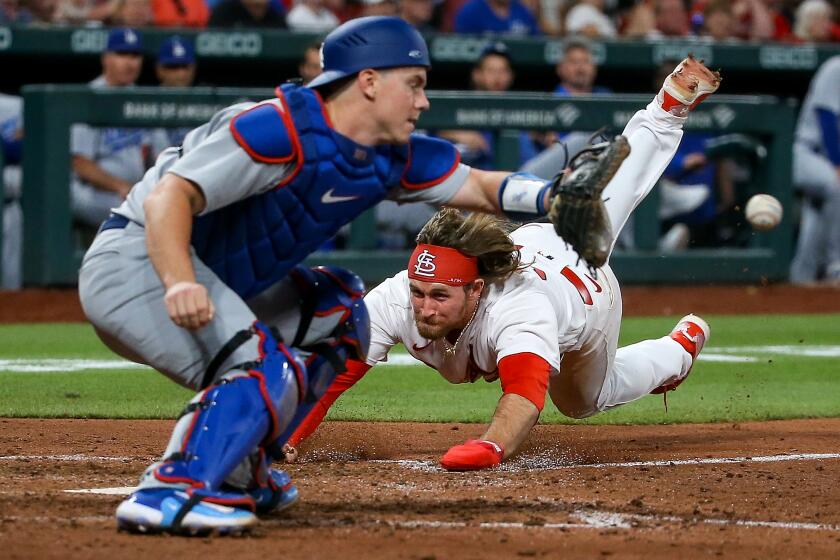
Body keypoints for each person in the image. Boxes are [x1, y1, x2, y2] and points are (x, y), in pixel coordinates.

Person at [78, 16, 604, 535]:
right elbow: (171, 196)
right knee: (260, 361)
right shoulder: (274, 127)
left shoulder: (386, 155)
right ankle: (174, 489)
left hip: (216, 276)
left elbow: (482, 188)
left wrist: (549, 198)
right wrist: (178, 281)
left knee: (338, 315)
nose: (424, 102)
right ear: (369, 82)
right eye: (415, 85)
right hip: (141, 265)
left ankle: (240, 468)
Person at [286, 56, 721, 470]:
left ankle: (676, 352)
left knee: (581, 401)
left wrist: (491, 445)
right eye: (419, 293)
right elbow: (331, 374)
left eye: (439, 295)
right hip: (535, 241)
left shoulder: (520, 310)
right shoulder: (398, 298)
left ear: (475, 289)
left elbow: (525, 395)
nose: (424, 306)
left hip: (585, 291)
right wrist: (285, 439)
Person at [70, 28, 152, 228]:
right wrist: (120, 186)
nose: (129, 62)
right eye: (122, 54)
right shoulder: (90, 97)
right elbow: (80, 164)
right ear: (106, 59)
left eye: (135, 56)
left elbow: (153, 154)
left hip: (132, 191)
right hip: (95, 192)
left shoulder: (143, 97)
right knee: (142, 214)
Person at [790, 55, 840, 284]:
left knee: (817, 216)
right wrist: (838, 164)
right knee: (834, 185)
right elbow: (826, 117)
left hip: (827, 161)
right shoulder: (835, 68)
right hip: (807, 153)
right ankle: (835, 263)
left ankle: (801, 277)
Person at [150, 36, 198, 157]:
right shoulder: (148, 101)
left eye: (184, 66)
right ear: (160, 70)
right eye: (173, 67)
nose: (181, 73)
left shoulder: (202, 101)